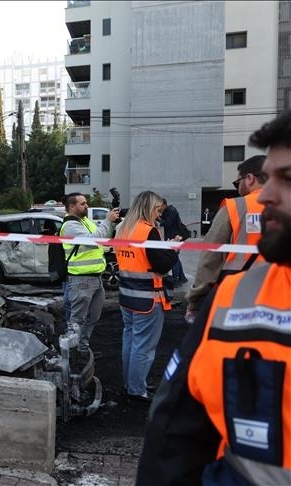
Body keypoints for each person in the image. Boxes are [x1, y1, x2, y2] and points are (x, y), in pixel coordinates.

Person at [136, 111, 291, 485]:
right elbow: (175, 436)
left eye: (286, 179)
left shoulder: (235, 211)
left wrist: (194, 296)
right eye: (268, 178)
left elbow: (209, 256)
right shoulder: (231, 303)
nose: (266, 195)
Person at [114, 191, 180, 403]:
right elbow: (162, 265)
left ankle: (132, 383)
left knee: (130, 341)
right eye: (158, 210)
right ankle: (136, 389)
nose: (159, 215)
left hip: (127, 295)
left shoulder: (123, 229)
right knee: (143, 346)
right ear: (150, 208)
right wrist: (174, 249)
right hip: (148, 299)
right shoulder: (148, 231)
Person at [184, 155, 266, 324]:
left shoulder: (236, 207)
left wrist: (195, 299)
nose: (238, 189)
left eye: (237, 183)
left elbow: (210, 258)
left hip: (239, 293)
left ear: (250, 179)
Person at [59, 192, 121, 355]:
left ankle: (82, 349)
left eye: (86, 203)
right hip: (81, 280)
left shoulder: (85, 221)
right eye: (83, 204)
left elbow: (103, 235)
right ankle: (71, 355)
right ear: (72, 207)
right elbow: (93, 240)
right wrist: (107, 220)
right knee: (76, 321)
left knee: (93, 318)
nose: (87, 206)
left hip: (95, 278)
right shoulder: (70, 225)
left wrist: (112, 223)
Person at [158, 199, 187, 285]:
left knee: (174, 258)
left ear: (164, 204)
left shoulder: (171, 210)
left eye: (159, 206)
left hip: (176, 237)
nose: (158, 208)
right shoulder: (166, 211)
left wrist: (158, 218)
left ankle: (175, 280)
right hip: (172, 237)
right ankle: (182, 277)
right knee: (176, 258)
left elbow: (168, 223)